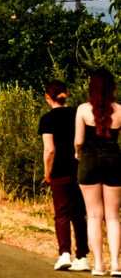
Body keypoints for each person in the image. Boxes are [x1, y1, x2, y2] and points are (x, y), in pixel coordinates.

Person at [38, 79, 90, 271]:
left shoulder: (47, 119)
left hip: (59, 170)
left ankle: (64, 253)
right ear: (66, 94)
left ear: (47, 97)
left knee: (61, 213)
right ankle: (83, 256)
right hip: (81, 168)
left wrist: (47, 173)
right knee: (79, 213)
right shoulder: (79, 114)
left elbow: (49, 150)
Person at [76, 68, 121, 276]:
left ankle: (99, 265)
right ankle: (116, 265)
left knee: (94, 216)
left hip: (89, 161)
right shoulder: (120, 110)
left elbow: (78, 141)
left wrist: (78, 154)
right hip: (113, 161)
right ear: (111, 88)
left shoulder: (83, 110)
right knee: (113, 217)